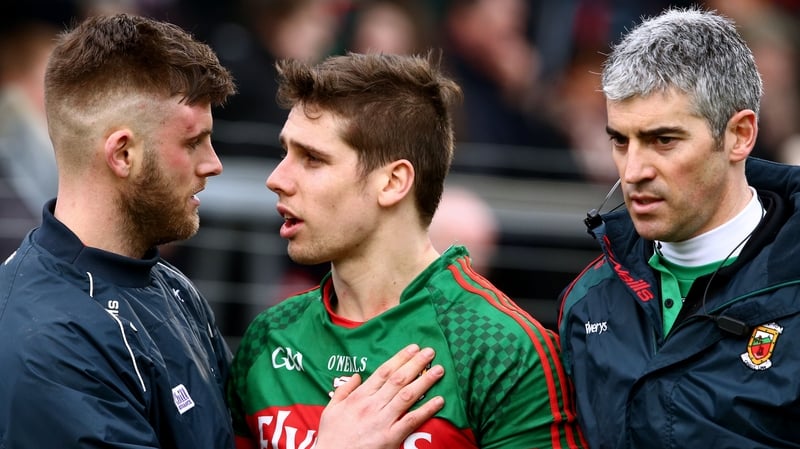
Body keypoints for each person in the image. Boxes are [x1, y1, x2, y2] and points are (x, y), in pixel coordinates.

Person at [0, 12, 438, 449]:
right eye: (193, 143)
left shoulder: (171, 288)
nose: (213, 164)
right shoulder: (47, 341)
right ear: (123, 154)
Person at [226, 51, 585, 449]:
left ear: (394, 182)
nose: (278, 179)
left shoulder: (502, 348)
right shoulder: (268, 337)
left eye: (312, 159)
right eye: (285, 153)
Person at [557, 6, 800, 448]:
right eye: (620, 140)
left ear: (740, 135)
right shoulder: (587, 304)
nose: (632, 171)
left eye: (662, 140)